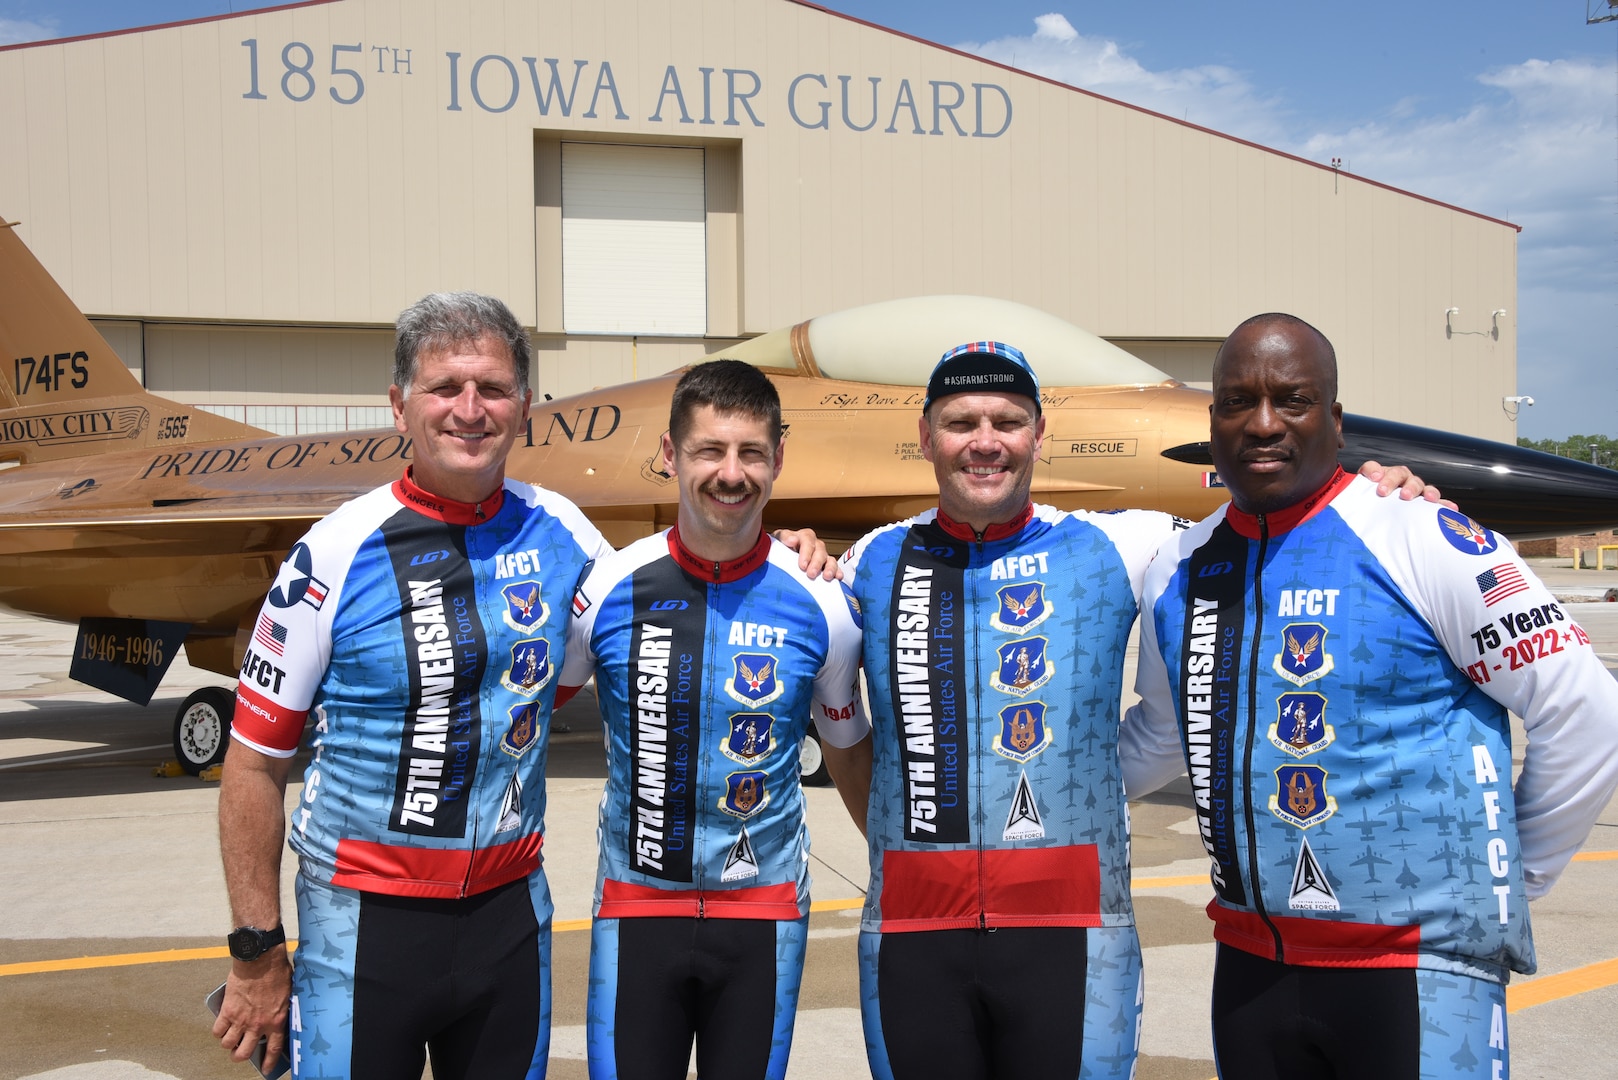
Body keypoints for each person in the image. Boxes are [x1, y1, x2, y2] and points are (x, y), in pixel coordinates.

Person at [211, 295, 831, 1078]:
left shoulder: (564, 533)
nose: (470, 411)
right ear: (399, 406)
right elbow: (252, 765)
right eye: (445, 388)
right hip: (362, 928)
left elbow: (666, 584)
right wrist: (256, 953)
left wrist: (783, 549)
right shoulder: (333, 553)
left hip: (509, 923)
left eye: (493, 390)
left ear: (525, 408)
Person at [834, 339, 1434, 1080]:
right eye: (961, 423)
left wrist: (1372, 494)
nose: (985, 442)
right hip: (910, 937)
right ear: (926, 437)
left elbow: (1278, 525)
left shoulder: (1127, 544)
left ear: (1039, 434)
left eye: (1007, 421)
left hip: (1076, 934)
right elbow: (848, 734)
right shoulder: (869, 562)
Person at [1119, 312, 1618, 1079]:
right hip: (1252, 974)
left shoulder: (1421, 535)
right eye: (1236, 401)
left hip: (1417, 975)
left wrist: (1514, 878)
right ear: (1211, 420)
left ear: (1336, 419)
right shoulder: (1180, 566)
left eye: (1292, 399)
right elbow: (1161, 738)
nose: (1262, 424)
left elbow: (1586, 710)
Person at [558, 359, 872, 1080]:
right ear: (670, 455)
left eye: (751, 453)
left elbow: (849, 750)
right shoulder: (608, 585)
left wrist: (892, 869)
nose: (731, 473)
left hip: (763, 917)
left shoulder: (823, 600)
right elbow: (523, 719)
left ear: (778, 460)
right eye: (710, 450)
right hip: (635, 911)